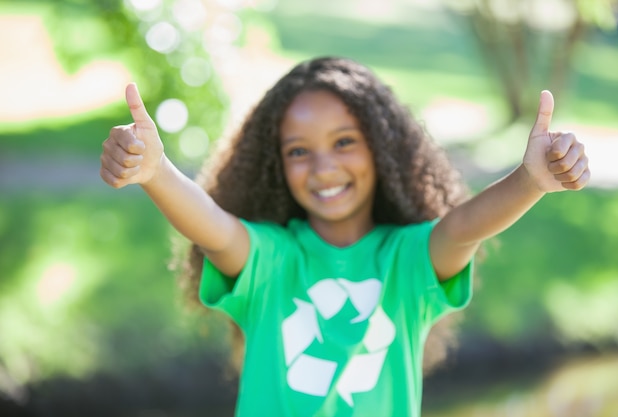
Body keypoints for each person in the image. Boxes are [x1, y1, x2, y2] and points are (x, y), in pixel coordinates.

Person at [100, 57, 590, 417]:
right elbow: (214, 228)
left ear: (382, 150)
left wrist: (531, 181)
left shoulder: (407, 262)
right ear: (275, 165)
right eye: (298, 151)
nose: (323, 167)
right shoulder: (272, 262)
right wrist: (156, 172)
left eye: (344, 142)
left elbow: (464, 228)